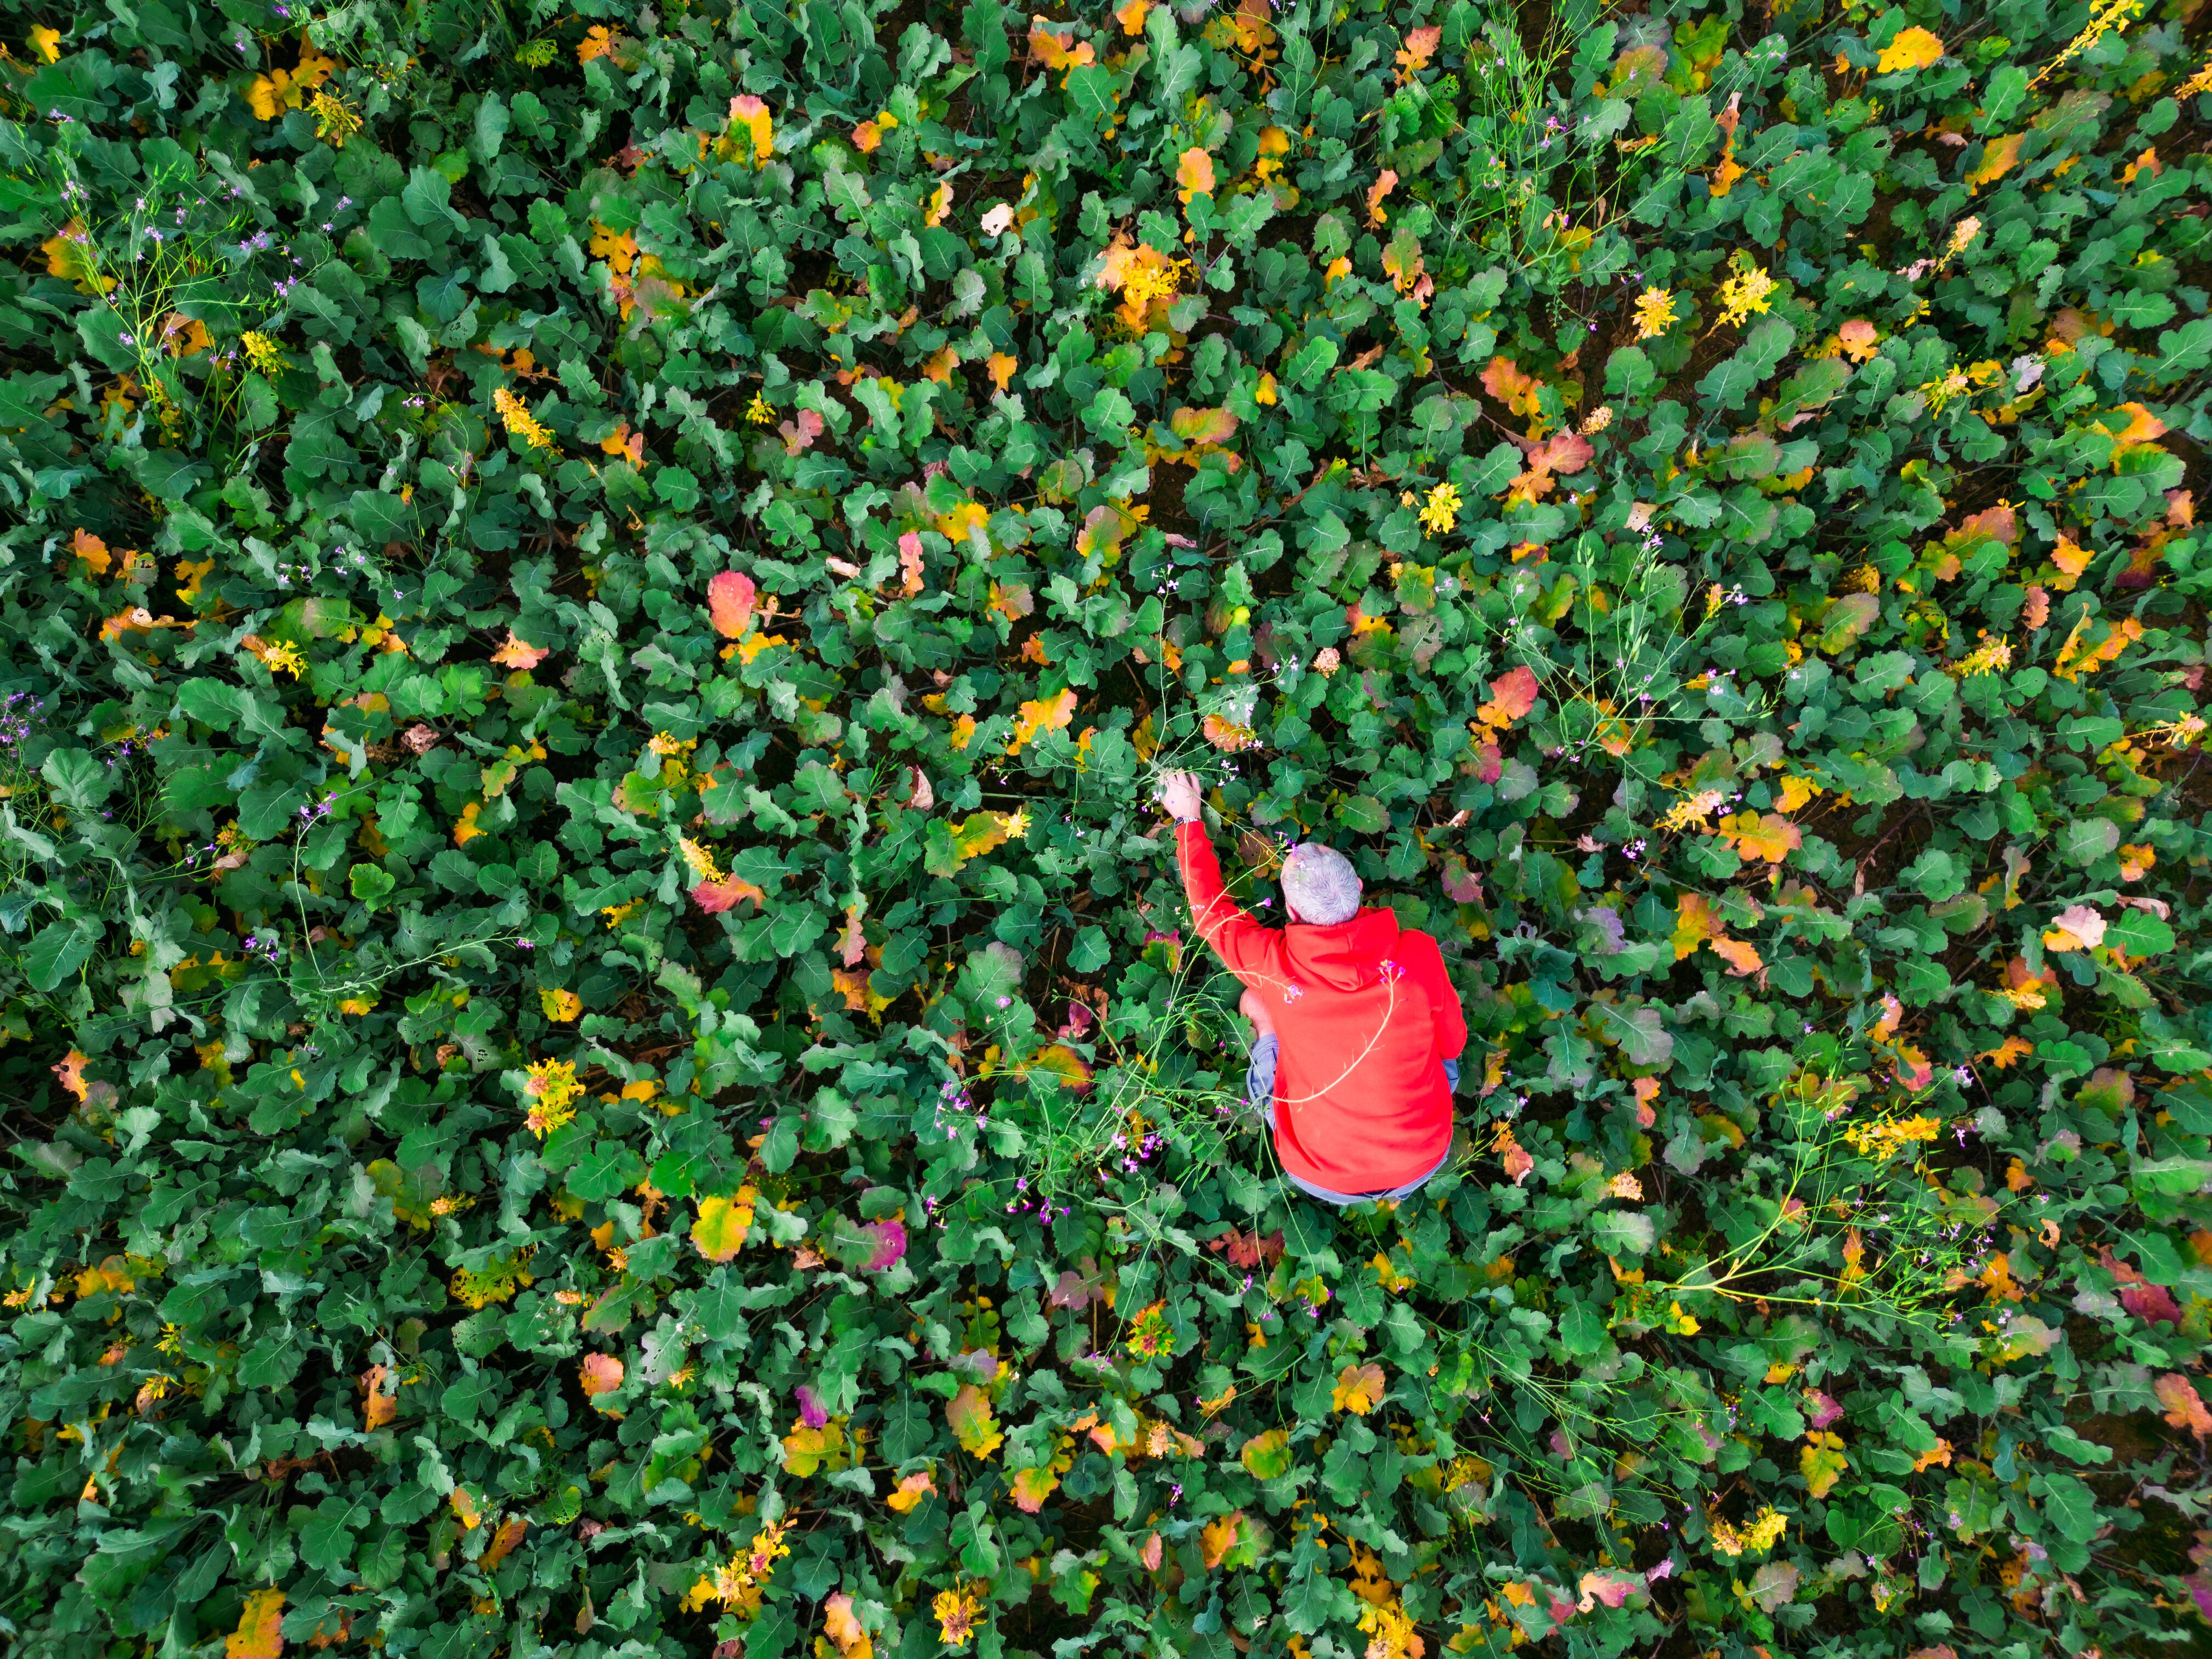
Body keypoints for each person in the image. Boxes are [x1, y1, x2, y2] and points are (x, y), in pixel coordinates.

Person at [1155, 769, 1467, 1206]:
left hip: (1319, 1172)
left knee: (1254, 1002)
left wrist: (1189, 818)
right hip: (1423, 1155)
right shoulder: (1417, 954)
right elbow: (1453, 1042)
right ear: (1359, 889)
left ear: (1290, 912)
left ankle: (1268, 1034)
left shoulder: (1274, 966)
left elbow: (1211, 916)